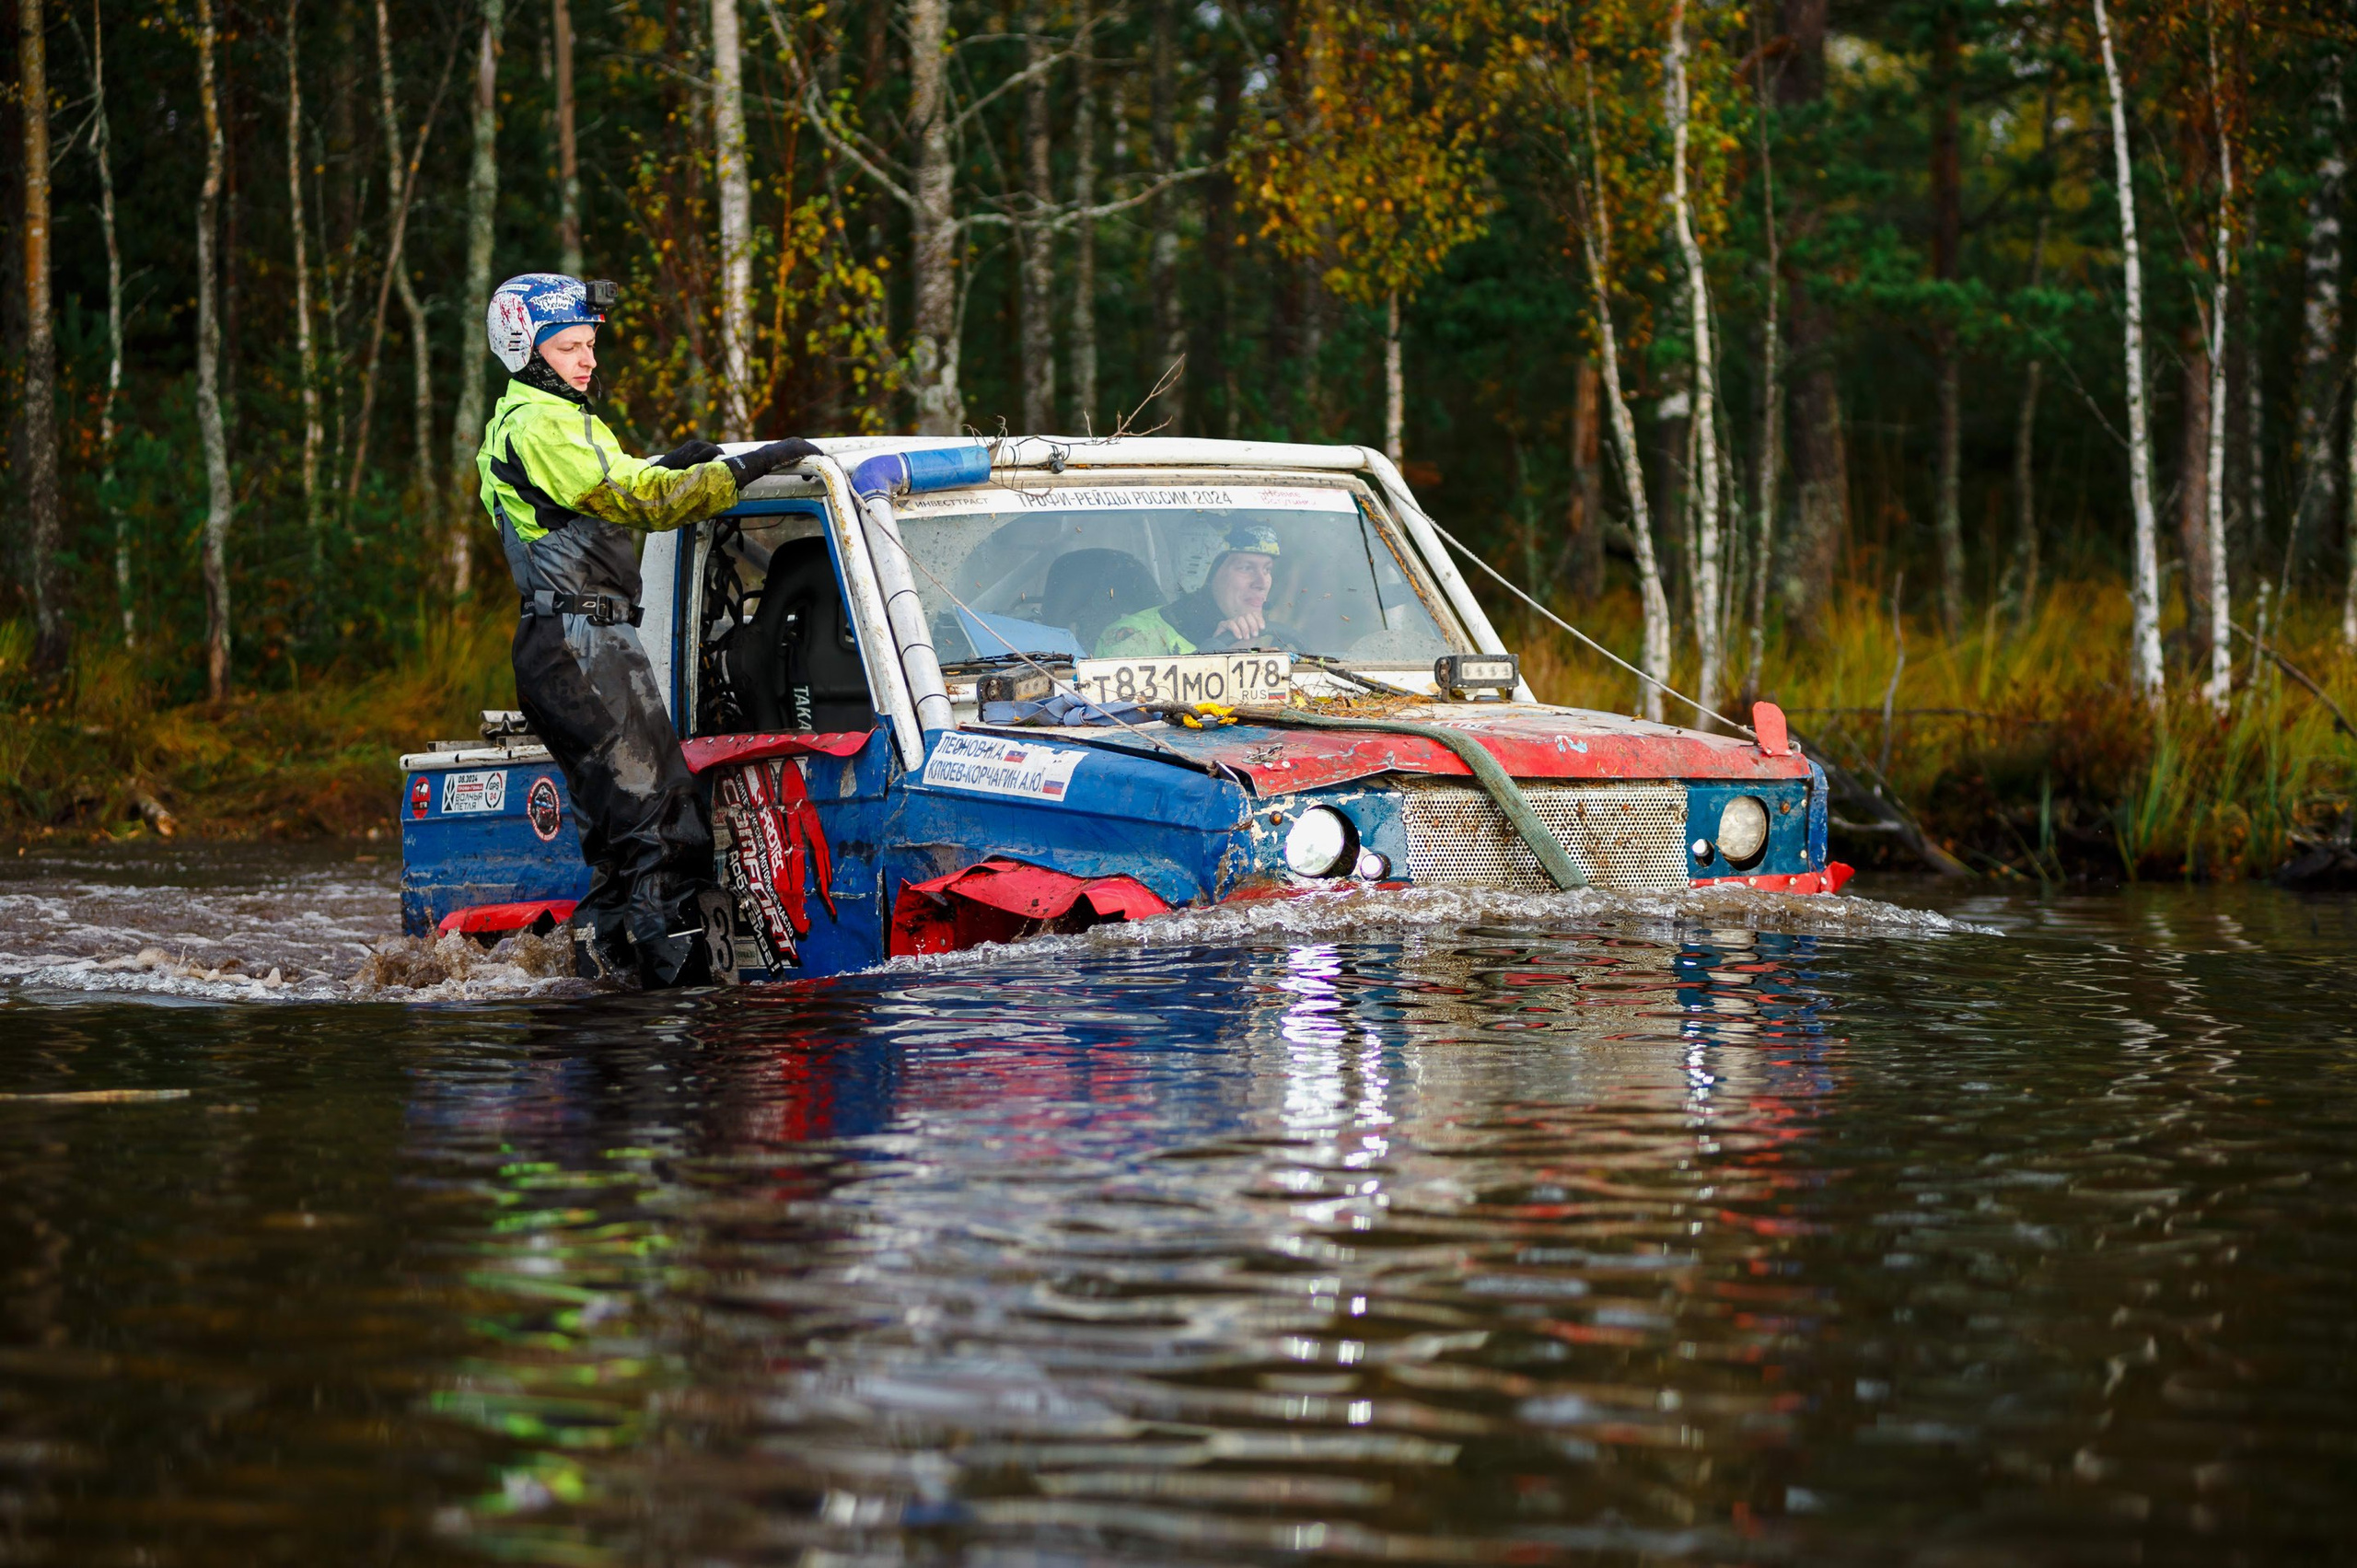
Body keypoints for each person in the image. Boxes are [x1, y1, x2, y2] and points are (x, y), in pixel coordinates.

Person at [478, 272, 814, 987]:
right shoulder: (543, 422)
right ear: (526, 351)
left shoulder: (526, 419)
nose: (588, 359)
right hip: (582, 644)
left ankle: (603, 1002)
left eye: (589, 343)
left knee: (620, 842)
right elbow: (642, 501)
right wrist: (743, 470)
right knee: (664, 828)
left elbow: (599, 492)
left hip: (562, 644)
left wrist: (663, 465)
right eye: (569, 347)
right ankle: (681, 1013)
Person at [1093, 523, 1287, 656]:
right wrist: (1220, 659)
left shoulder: (1269, 638)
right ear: (1206, 575)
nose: (1262, 583)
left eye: (1267, 569)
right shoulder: (1133, 638)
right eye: (1246, 568)